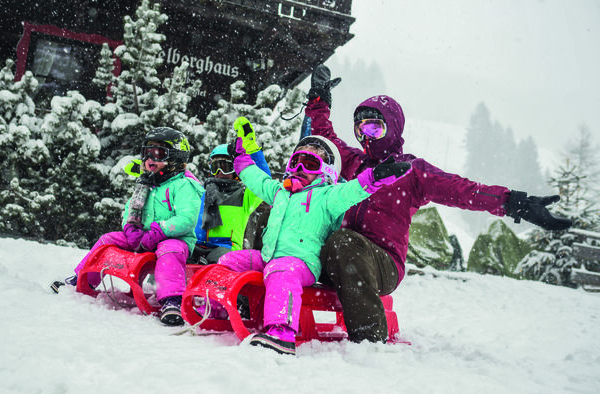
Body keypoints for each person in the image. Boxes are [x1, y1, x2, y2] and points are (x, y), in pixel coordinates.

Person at [305, 65, 573, 344]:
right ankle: (269, 308)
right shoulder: (355, 163)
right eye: (360, 130)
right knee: (287, 222)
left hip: (381, 263)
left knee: (343, 241)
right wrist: (319, 100)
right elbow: (325, 137)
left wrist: (516, 203)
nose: (366, 137)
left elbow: (464, 190)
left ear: (392, 128)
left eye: (374, 127)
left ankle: (369, 339)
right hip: (341, 255)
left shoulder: (411, 171)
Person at [217, 126, 413, 355]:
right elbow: (256, 178)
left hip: (303, 263)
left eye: (309, 164)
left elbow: (353, 190)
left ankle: (281, 333)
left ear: (327, 172)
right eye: (295, 162)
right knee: (229, 260)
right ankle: (225, 309)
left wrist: (375, 177)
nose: (299, 168)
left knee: (282, 271)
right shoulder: (280, 192)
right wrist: (241, 158)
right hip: (268, 256)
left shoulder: (327, 196)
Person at [69, 127, 204, 326]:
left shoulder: (183, 185)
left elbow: (187, 219)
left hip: (176, 238)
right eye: (146, 153)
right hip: (143, 236)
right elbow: (129, 209)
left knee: (170, 250)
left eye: (157, 153)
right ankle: (83, 279)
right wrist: (130, 228)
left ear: (174, 158)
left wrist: (160, 230)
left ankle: (171, 300)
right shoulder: (145, 183)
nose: (150, 158)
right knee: (108, 240)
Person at [193, 117, 271, 264]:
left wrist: (251, 147)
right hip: (197, 245)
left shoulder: (245, 196)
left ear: (236, 169)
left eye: (226, 166)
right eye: (216, 167)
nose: (220, 172)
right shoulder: (203, 192)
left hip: (225, 248)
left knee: (219, 262)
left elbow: (263, 179)